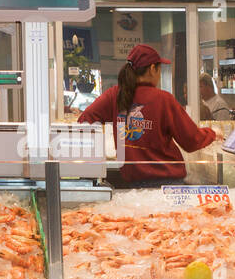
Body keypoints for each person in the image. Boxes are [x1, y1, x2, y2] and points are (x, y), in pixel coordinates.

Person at [78, 44, 221, 186]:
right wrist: (213, 134)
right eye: (159, 70)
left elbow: (85, 120)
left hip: (132, 184)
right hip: (167, 184)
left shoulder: (114, 95)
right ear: (153, 69)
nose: (159, 75)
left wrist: (97, 156)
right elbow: (191, 140)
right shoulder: (164, 99)